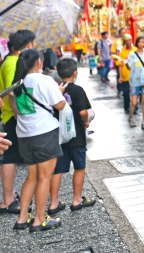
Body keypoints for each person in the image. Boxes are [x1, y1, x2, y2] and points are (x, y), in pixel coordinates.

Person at [12, 49, 67, 231]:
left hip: (24, 135)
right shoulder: (44, 80)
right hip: (44, 134)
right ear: (38, 62)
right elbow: (60, 104)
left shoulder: (17, 83)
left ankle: (22, 218)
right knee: (44, 177)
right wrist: (59, 92)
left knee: (32, 176)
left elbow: (16, 112)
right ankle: (39, 219)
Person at [48, 58, 96, 213]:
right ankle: (76, 199)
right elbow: (83, 111)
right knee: (79, 167)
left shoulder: (55, 89)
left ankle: (54, 203)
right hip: (77, 137)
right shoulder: (78, 90)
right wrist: (86, 120)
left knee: (58, 170)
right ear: (75, 73)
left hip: (59, 137)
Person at [0, 29, 36, 214]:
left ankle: (10, 195)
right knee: (10, 156)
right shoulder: (14, 63)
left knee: (11, 155)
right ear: (28, 45)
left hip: (8, 114)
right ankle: (7, 200)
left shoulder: (8, 61)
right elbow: (12, 92)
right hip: (11, 116)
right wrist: (19, 115)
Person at [113, 34, 134, 114]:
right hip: (125, 76)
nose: (128, 42)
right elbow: (120, 65)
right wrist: (120, 76)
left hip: (134, 76)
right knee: (126, 93)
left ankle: (134, 107)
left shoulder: (135, 50)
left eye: (129, 40)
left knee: (135, 93)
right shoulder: (122, 52)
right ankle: (126, 107)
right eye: (126, 41)